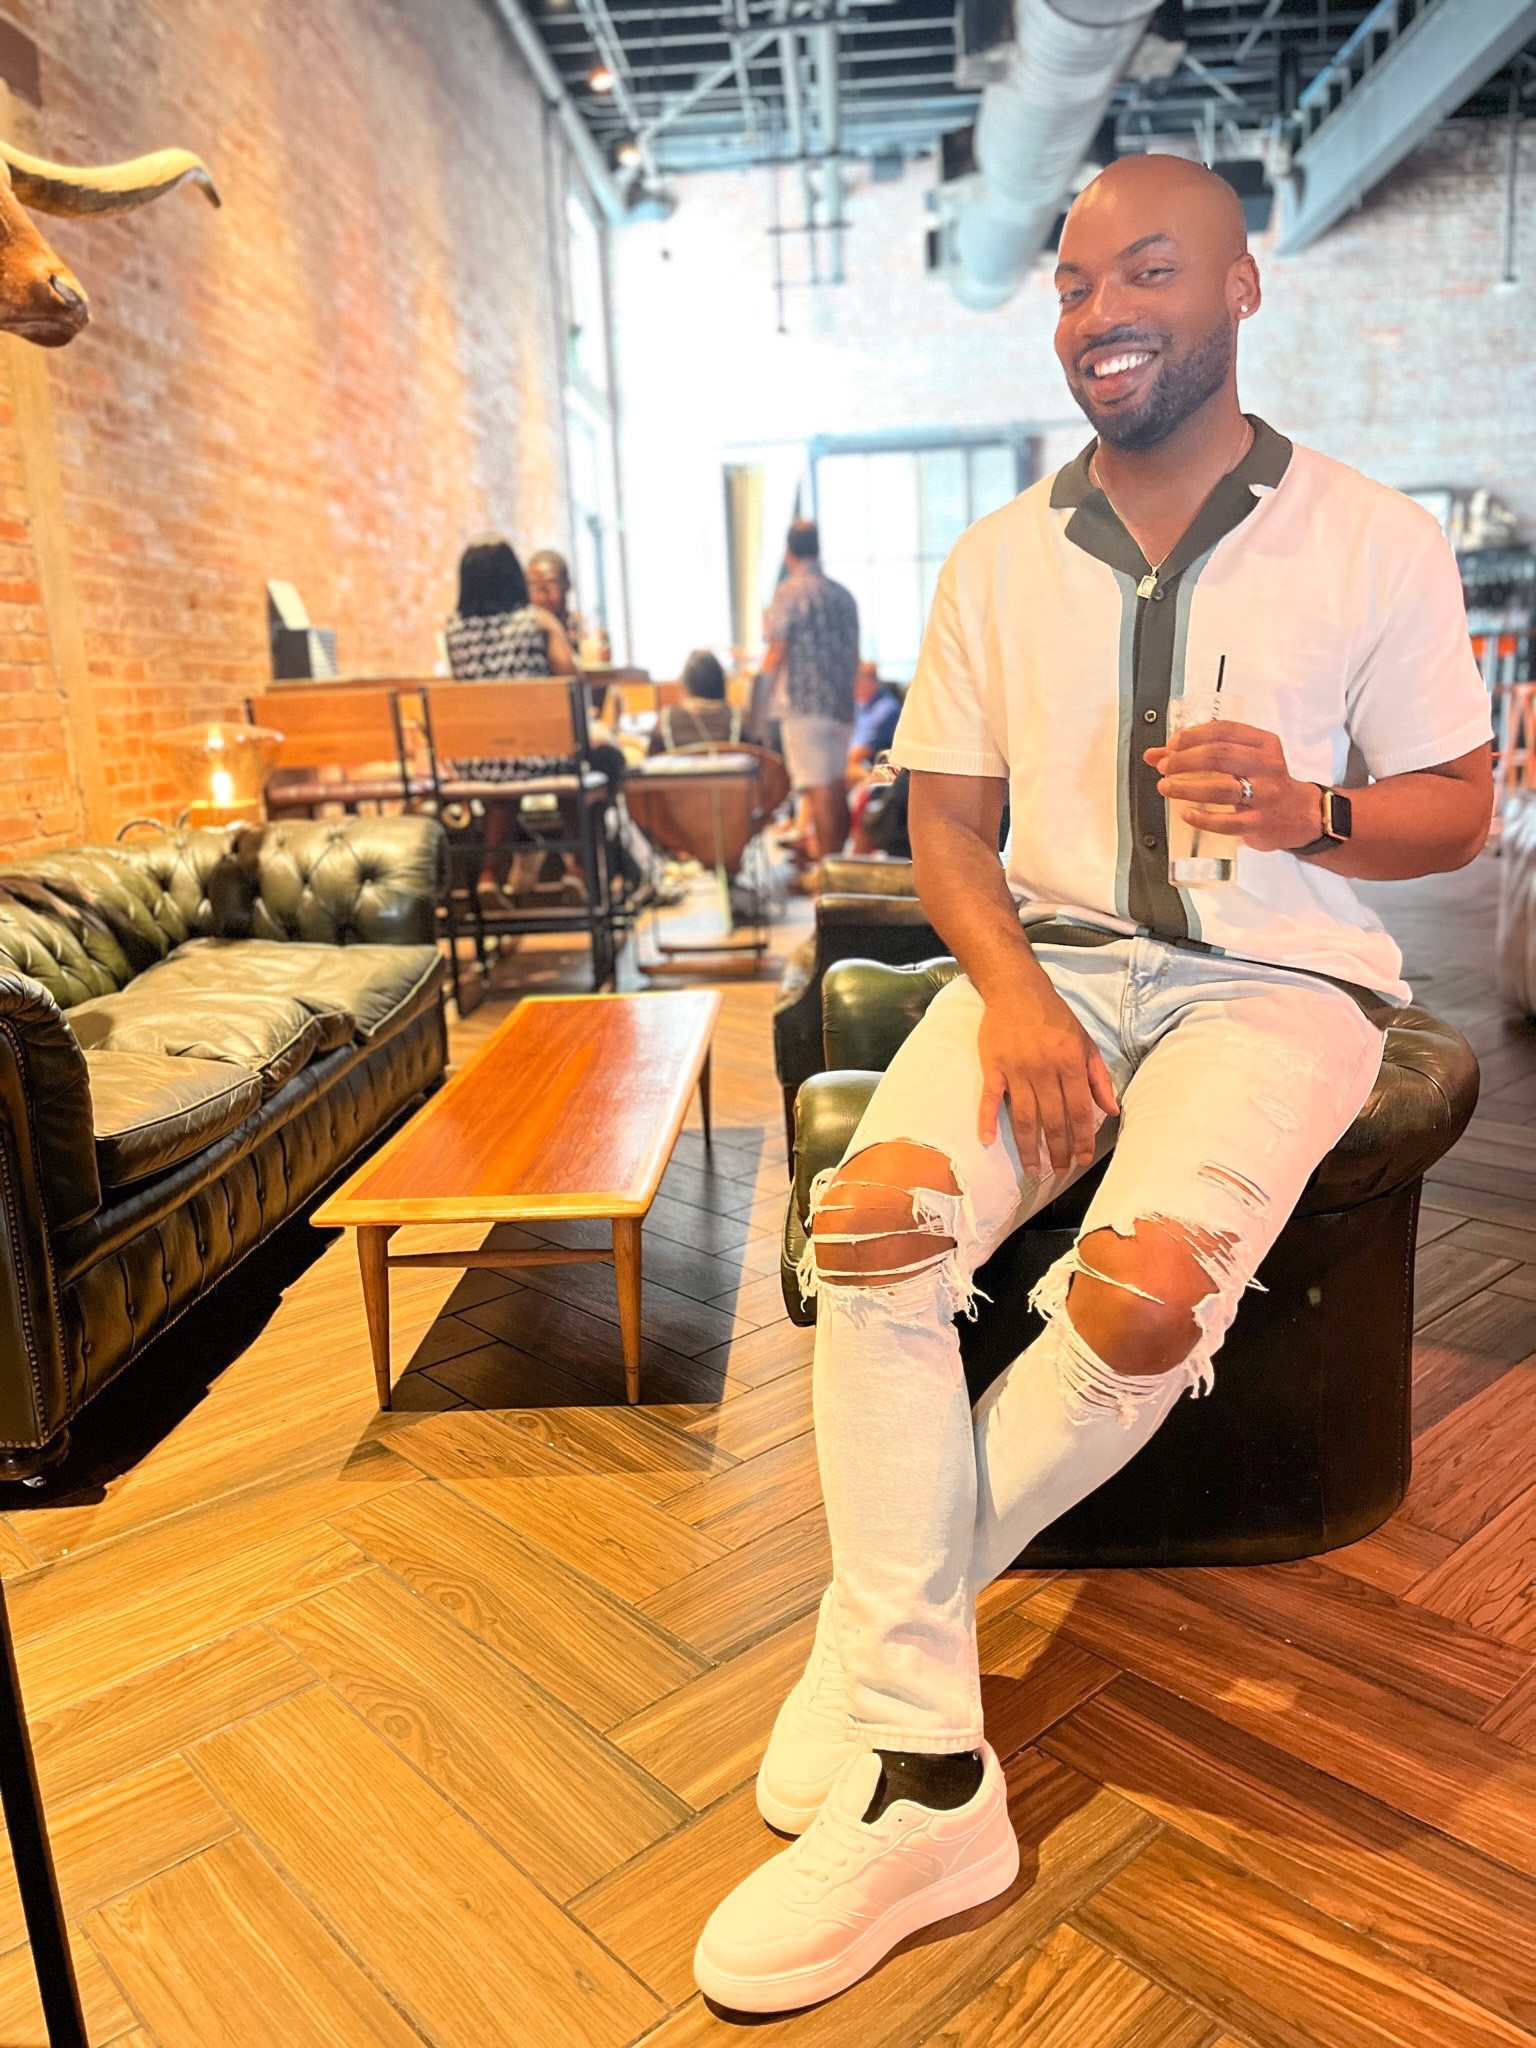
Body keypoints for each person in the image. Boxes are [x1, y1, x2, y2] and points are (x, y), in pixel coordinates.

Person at [693, 153, 1493, 2015]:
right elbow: (945, 828)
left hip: (1280, 985)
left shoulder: (1370, 535)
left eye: (1146, 269)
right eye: (1067, 283)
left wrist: (1316, 811)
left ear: (1241, 290)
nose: (1098, 309)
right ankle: (926, 1777)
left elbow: (1459, 808)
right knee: (875, 1224)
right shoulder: (993, 556)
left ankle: (876, 1634)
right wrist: (1017, 996)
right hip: (1044, 966)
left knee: (1141, 1302)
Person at [442, 538, 595, 915]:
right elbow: (571, 685)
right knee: (564, 756)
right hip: (540, 754)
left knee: (504, 776)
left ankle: (489, 875)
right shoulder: (537, 623)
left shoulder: (454, 631)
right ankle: (576, 868)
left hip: (478, 760)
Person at [761, 520, 859, 867]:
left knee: (819, 790)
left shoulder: (789, 593)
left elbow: (776, 651)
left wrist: (757, 705)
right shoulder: (842, 595)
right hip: (842, 707)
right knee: (834, 787)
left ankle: (829, 873)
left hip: (804, 708)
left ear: (789, 553)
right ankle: (838, 871)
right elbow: (854, 656)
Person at [659, 649, 742, 750]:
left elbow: (650, 760)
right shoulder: (740, 720)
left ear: (686, 685)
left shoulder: (665, 721)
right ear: (721, 682)